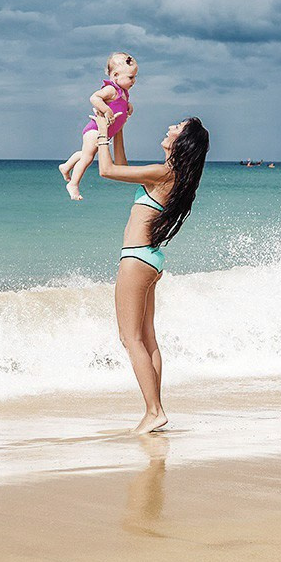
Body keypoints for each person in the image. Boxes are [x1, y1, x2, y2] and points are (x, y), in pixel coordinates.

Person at [95, 116, 209, 433]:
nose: (170, 127)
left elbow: (107, 170)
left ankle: (154, 411)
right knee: (147, 338)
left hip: (136, 259)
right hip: (150, 260)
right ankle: (155, 410)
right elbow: (121, 166)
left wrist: (102, 134)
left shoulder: (163, 173)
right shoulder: (171, 175)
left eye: (177, 127)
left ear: (182, 141)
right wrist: (118, 130)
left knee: (130, 338)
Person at [58, 53, 138, 200]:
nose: (134, 81)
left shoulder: (124, 93)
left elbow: (120, 104)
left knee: (87, 153)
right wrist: (106, 110)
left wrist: (128, 106)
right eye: (131, 77)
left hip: (105, 132)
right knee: (88, 157)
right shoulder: (111, 90)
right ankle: (73, 184)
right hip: (95, 129)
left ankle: (66, 166)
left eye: (135, 77)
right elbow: (94, 97)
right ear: (115, 75)